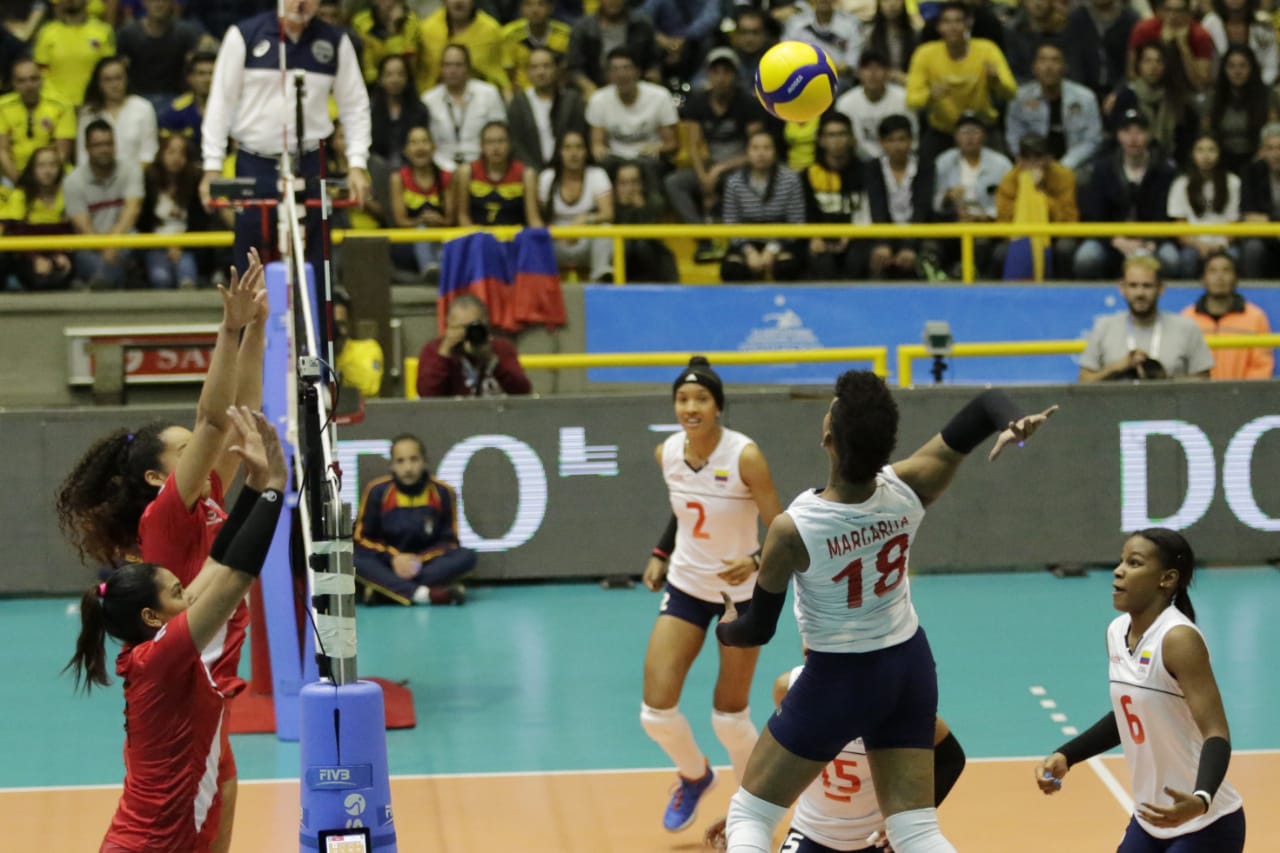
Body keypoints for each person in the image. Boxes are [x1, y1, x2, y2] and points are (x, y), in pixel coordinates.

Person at [714, 370, 1056, 853]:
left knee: (750, 812)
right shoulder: (910, 486)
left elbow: (757, 630)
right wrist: (1013, 423)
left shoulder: (793, 530)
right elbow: (986, 405)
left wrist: (727, 630)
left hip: (840, 675)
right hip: (910, 665)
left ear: (827, 436)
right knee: (915, 830)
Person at [55, 251, 266, 852]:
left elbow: (238, 416)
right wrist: (230, 330)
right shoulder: (167, 516)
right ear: (157, 477)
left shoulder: (211, 495)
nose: (204, 444)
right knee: (189, 802)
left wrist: (258, 330)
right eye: (183, 449)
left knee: (219, 792)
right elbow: (211, 418)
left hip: (212, 680)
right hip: (191, 670)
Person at [66, 405, 287, 853]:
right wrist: (274, 492)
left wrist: (257, 485)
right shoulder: (162, 657)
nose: (189, 594)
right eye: (176, 591)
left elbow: (219, 562)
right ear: (153, 616)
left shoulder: (154, 645)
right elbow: (236, 578)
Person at [1035, 528, 1246, 853]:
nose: (1118, 570)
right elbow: (1129, 711)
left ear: (1167, 579)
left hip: (1206, 824)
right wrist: (1068, 754)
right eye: (1121, 561)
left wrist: (1201, 799)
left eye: (1134, 563)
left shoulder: (1178, 640)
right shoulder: (1117, 632)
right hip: (1150, 819)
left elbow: (1216, 731)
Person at [640, 356, 782, 833]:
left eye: (701, 399)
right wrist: (661, 551)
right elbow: (685, 509)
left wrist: (758, 560)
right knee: (655, 714)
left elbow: (783, 528)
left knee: (729, 719)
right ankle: (695, 776)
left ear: (718, 407)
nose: (691, 407)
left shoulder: (745, 456)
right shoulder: (667, 454)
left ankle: (750, 814)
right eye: (682, 399)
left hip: (739, 597)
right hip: (686, 585)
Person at [199, 0, 371, 312]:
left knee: (317, 261)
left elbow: (355, 105)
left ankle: (316, 348)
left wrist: (357, 163)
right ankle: (247, 350)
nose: (301, 3)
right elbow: (220, 103)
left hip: (310, 160)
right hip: (256, 160)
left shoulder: (335, 41)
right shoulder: (245, 35)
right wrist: (212, 165)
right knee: (251, 261)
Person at [705, 666, 966, 853]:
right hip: (809, 834)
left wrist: (904, 820)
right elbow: (781, 763)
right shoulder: (789, 688)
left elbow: (951, 759)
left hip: (873, 840)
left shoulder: (894, 701)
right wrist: (750, 811)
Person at [664, 47, 767, 264]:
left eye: (726, 72)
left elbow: (756, 150)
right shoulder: (698, 102)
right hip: (709, 165)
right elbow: (693, 146)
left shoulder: (748, 104)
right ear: (709, 75)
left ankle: (735, 240)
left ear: (735, 75)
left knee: (737, 182)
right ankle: (703, 236)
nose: (721, 78)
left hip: (740, 165)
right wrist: (704, 177)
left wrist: (719, 170)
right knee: (674, 182)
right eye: (716, 71)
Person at [353, 433, 474, 605]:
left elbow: (449, 542)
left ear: (424, 461)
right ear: (392, 466)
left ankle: (384, 591)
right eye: (400, 461)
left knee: (466, 557)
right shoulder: (376, 491)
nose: (408, 468)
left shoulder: (444, 492)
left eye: (414, 459)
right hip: (387, 563)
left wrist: (416, 562)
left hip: (423, 565)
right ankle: (424, 594)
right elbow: (361, 539)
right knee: (352, 558)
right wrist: (394, 558)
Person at [904, 1, 1016, 160]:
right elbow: (912, 100)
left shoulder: (987, 49)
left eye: (958, 21)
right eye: (947, 22)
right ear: (939, 26)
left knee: (1003, 168)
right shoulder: (925, 54)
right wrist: (930, 96)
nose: (953, 27)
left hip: (983, 129)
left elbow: (1011, 92)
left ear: (969, 24)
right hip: (943, 132)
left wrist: (996, 80)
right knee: (924, 170)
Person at [1074, 110, 1179, 280]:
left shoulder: (1165, 170)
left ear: (1149, 135)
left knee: (1170, 259)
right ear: (1118, 136)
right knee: (1087, 258)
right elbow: (1094, 213)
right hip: (1111, 239)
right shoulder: (1103, 169)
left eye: (1139, 132)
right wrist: (1116, 240)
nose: (1133, 138)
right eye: (1127, 132)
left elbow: (1167, 214)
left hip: (1152, 240)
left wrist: (1151, 243)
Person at [1078, 254, 1214, 381]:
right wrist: (1115, 368)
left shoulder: (1186, 328)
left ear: (1161, 288)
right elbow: (1082, 381)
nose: (1140, 293)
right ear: (1122, 288)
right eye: (1133, 285)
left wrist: (1165, 380)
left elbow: (1204, 383)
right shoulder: (1104, 327)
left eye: (1147, 286)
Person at [64, 120, 143, 289]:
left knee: (128, 247)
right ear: (87, 147)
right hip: (90, 244)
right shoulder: (73, 181)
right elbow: (84, 227)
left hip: (124, 240)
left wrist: (113, 245)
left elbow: (132, 211)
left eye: (109, 144)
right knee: (88, 258)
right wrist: (105, 248)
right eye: (98, 145)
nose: (105, 149)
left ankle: (101, 286)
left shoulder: (131, 171)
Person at [720, 130, 806, 282]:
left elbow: (796, 222)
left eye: (767, 148)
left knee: (787, 266)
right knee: (732, 269)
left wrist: (772, 249)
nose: (761, 153)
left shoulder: (790, 179)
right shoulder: (734, 182)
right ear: (747, 152)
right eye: (755, 148)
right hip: (746, 240)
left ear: (775, 151)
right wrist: (749, 252)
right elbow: (730, 223)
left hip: (781, 239)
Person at [1003, 43, 1103, 173]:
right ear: (1034, 67)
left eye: (1055, 61)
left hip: (1076, 168)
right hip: (1031, 165)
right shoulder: (1019, 99)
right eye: (1043, 60)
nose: (1048, 67)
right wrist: (1031, 161)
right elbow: (1014, 137)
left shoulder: (1085, 98)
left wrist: (1063, 167)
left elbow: (1092, 140)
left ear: (1064, 67)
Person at [1180, 250, 1274, 380]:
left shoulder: (1255, 317)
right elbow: (1182, 366)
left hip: (1244, 397)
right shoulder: (1187, 318)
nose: (1220, 277)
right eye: (1213, 271)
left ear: (1236, 278)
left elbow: (1261, 366)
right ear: (1203, 279)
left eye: (1226, 270)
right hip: (1198, 397)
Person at [415, 294, 532, 397]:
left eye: (473, 327)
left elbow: (522, 391)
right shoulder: (434, 351)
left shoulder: (501, 349)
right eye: (460, 327)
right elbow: (427, 394)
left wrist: (492, 360)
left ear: (486, 324)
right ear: (448, 326)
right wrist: (445, 352)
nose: (467, 333)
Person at [803, 112, 873, 280]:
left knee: (856, 259)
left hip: (856, 237)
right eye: (831, 135)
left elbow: (868, 210)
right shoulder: (809, 174)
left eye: (842, 134)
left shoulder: (867, 172)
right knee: (821, 262)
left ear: (851, 138)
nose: (837, 140)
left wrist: (851, 235)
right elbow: (806, 212)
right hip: (821, 240)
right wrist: (814, 238)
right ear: (821, 140)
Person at [538, 129, 613, 282]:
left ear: (586, 151)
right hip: (556, 243)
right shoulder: (547, 178)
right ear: (560, 152)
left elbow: (608, 214)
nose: (574, 153)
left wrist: (585, 221)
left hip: (585, 241)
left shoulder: (597, 175)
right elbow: (539, 220)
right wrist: (563, 233)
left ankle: (601, 278)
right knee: (534, 238)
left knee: (606, 229)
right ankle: (541, 284)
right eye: (568, 148)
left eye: (579, 147)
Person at [421, 44, 507, 173]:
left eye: (458, 65)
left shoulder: (489, 93)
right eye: (448, 65)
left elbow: (500, 135)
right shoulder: (428, 99)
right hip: (440, 168)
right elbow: (425, 142)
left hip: (484, 166)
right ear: (441, 68)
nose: (453, 70)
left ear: (468, 67)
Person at [1165, 133, 1241, 279]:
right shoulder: (1181, 184)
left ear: (1220, 154)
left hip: (1224, 244)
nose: (1206, 156)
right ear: (1192, 154)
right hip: (1193, 245)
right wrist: (1199, 245)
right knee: (1187, 258)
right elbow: (1180, 227)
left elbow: (1235, 224)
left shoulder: (1233, 182)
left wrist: (1220, 245)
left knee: (1234, 256)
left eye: (1211, 150)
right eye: (1200, 150)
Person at [139, 133, 206, 289]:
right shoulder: (148, 181)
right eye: (171, 152)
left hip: (186, 244)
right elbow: (143, 222)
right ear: (161, 154)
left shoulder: (195, 183)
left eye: (181, 153)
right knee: (160, 278)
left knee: (187, 276)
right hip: (155, 243)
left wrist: (179, 245)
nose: (176, 158)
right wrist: (165, 244)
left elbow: (199, 223)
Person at [506, 46, 587, 173]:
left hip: (567, 172)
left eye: (546, 66)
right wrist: (535, 172)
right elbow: (516, 144)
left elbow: (579, 136)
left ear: (556, 69)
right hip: (530, 174)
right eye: (534, 67)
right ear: (528, 72)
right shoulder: (519, 103)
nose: (541, 72)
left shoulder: (572, 100)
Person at [389, 124, 452, 278]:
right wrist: (420, 221)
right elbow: (400, 221)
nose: (420, 147)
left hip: (440, 239)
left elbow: (452, 220)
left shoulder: (446, 177)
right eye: (414, 143)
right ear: (406, 150)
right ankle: (430, 269)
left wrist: (439, 221)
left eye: (424, 141)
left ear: (433, 147)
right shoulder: (398, 179)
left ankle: (438, 269)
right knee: (423, 229)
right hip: (409, 243)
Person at [0, 58, 74, 184]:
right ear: (14, 84)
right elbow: (2, 151)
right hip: (14, 174)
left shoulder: (62, 107)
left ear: (42, 80)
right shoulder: (2, 107)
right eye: (22, 81)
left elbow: (62, 153)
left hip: (53, 172)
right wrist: (20, 183)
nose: (29, 85)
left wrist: (46, 180)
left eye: (33, 79)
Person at [453, 120, 539, 227]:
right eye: (489, 142)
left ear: (510, 144)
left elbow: (533, 219)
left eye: (501, 141)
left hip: (514, 239)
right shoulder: (466, 172)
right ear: (481, 146)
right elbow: (462, 216)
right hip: (477, 239)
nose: (496, 147)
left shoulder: (526, 174)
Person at [833, 49, 915, 162]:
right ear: (859, 73)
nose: (873, 73)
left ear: (888, 73)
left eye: (879, 68)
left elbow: (912, 137)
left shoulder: (903, 98)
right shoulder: (845, 103)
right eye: (867, 68)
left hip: (898, 161)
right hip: (859, 163)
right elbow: (849, 143)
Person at [32, 0, 116, 108]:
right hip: (56, 107)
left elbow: (108, 70)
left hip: (94, 105)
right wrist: (57, 101)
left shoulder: (103, 31)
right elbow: (41, 72)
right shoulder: (46, 33)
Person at [1240, 122, 1280, 276]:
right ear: (1262, 151)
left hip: (1267, 225)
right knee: (1253, 248)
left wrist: (1267, 219)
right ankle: (1252, 293)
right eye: (1270, 148)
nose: (1276, 154)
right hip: (1263, 236)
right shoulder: (1251, 172)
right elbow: (1249, 216)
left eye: (1279, 147)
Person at [333, 284, 386, 398]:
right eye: (334, 325)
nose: (339, 331)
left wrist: (339, 361)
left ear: (350, 323)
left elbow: (370, 387)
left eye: (342, 324)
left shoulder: (368, 349)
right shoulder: (317, 355)